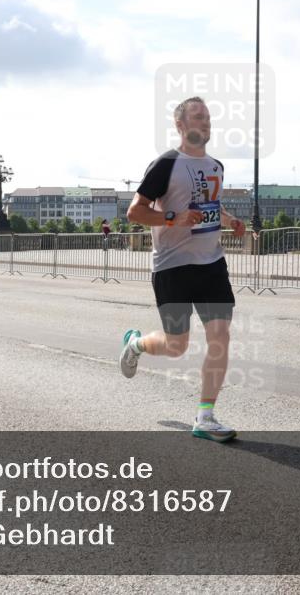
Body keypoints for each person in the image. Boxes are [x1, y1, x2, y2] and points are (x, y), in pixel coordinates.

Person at [119, 96, 247, 443]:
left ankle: (205, 416)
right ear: (180, 125)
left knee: (220, 339)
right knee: (177, 346)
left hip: (211, 264)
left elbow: (211, 206)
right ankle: (136, 344)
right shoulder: (166, 164)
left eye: (207, 117)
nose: (205, 123)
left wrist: (230, 219)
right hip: (172, 266)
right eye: (197, 118)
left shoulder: (216, 166)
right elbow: (135, 212)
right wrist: (171, 218)